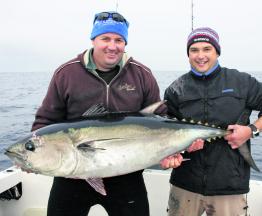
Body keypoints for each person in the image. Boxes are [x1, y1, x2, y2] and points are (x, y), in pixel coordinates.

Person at [31, 11, 165, 216]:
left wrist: (171, 151)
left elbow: (161, 118)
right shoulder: (66, 73)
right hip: (72, 176)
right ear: (94, 39)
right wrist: (34, 155)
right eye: (106, 38)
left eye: (119, 40)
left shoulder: (141, 74)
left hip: (126, 175)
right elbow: (45, 121)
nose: (112, 46)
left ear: (125, 43)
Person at [161, 27, 262, 216]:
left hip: (229, 184)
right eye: (194, 50)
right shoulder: (175, 89)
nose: (200, 55)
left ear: (217, 52)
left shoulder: (240, 81)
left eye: (207, 49)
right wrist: (180, 149)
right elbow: (168, 131)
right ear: (188, 54)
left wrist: (251, 130)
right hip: (185, 184)